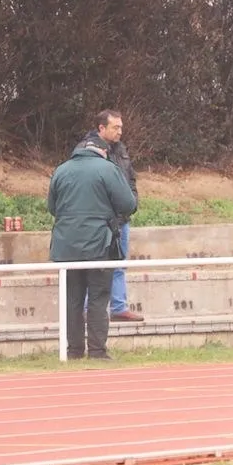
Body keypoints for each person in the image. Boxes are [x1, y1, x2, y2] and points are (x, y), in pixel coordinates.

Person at [48, 135, 137, 360]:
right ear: (103, 151)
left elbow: (52, 207)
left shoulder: (61, 170)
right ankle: (97, 351)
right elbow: (128, 204)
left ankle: (73, 351)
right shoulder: (108, 169)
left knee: (72, 300)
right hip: (100, 243)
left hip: (66, 246)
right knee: (98, 297)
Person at [76, 110, 143, 323]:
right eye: (115, 127)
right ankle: (87, 310)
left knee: (119, 263)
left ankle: (119, 307)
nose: (120, 131)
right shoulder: (85, 150)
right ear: (101, 128)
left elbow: (130, 179)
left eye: (121, 127)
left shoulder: (121, 150)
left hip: (121, 220)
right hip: (98, 221)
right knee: (92, 265)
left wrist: (132, 202)